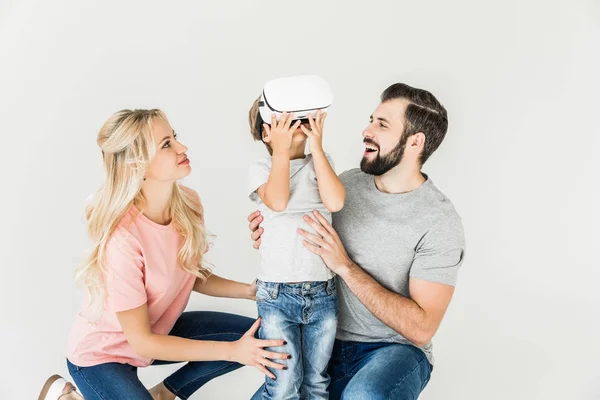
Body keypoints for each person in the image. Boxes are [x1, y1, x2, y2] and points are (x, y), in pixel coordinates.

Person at [38, 109, 289, 400]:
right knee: (242, 347)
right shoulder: (123, 238)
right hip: (101, 355)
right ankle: (68, 397)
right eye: (166, 144)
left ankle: (165, 394)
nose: (182, 148)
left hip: (158, 330)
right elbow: (143, 343)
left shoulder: (188, 204)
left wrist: (249, 291)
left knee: (258, 339)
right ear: (137, 165)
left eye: (175, 138)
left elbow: (187, 271)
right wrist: (233, 352)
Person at [249, 83, 466, 400]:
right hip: (325, 341)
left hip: (394, 350)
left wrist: (346, 267)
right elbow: (282, 209)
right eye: (371, 120)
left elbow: (421, 329)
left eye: (382, 125)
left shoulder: (439, 221)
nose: (367, 130)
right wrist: (267, 230)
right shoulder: (341, 184)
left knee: (364, 396)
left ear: (415, 142)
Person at [247, 90, 345, 399]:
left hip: (322, 291)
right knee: (284, 384)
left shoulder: (322, 162)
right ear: (267, 132)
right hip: (277, 294)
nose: (297, 126)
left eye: (300, 119)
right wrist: (280, 152)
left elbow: (336, 201)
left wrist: (317, 148)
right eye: (285, 122)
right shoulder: (262, 169)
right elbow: (277, 200)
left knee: (316, 382)